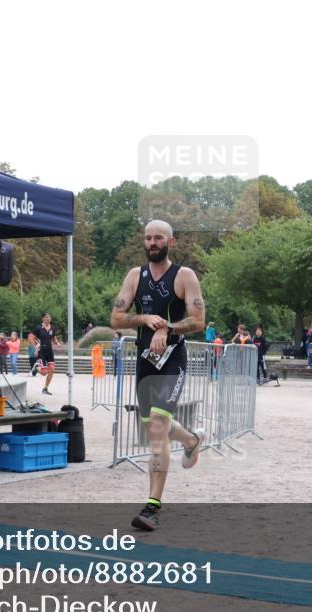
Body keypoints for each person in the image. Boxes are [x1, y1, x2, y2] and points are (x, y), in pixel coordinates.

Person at [110, 219, 206, 531]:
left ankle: (152, 506)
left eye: (159, 238)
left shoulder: (185, 276)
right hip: (145, 359)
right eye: (148, 238)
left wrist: (168, 327)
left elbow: (199, 320)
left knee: (158, 428)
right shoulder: (134, 276)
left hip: (172, 359)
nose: (153, 243)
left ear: (170, 242)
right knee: (155, 428)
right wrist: (143, 318)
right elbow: (116, 318)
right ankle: (191, 440)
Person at [28, 313, 62, 396]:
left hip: (49, 351)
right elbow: (31, 337)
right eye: (46, 317)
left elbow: (54, 338)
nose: (48, 319)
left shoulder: (52, 328)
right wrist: (35, 348)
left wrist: (57, 343)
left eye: (49, 317)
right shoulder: (39, 328)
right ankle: (36, 367)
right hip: (41, 351)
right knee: (43, 373)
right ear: (42, 318)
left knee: (52, 370)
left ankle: (45, 388)